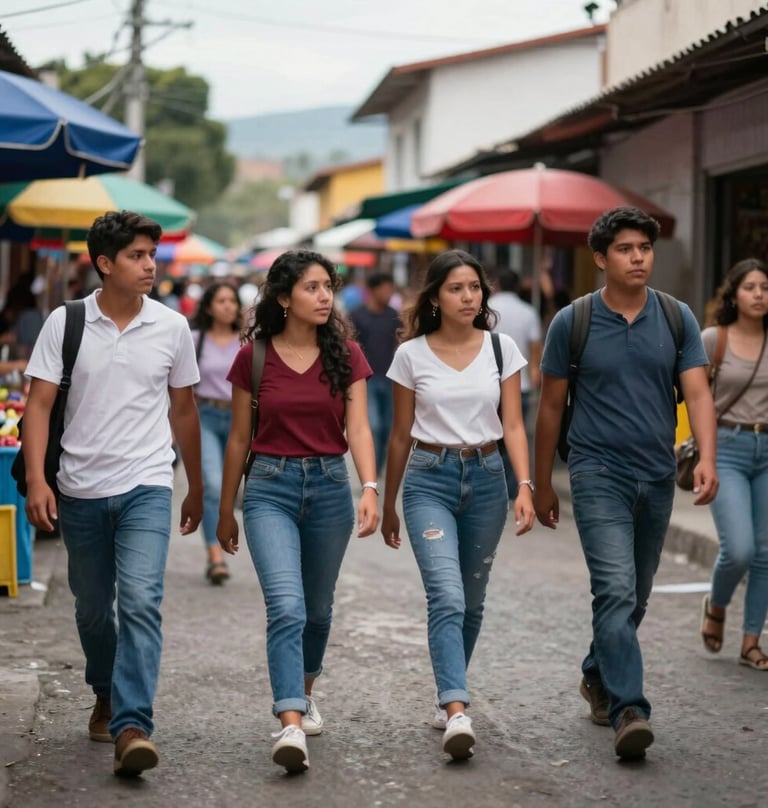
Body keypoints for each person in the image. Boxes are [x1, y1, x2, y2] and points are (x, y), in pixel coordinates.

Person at [21, 210, 203, 778]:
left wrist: (196, 485)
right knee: (94, 610)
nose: (150, 265)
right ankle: (104, 689)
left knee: (143, 601)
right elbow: (40, 405)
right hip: (79, 487)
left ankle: (132, 726)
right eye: (137, 255)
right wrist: (35, 480)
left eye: (152, 254)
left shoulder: (172, 327)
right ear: (104, 264)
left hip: (148, 483)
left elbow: (184, 409)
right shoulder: (65, 322)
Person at [533, 206, 719, 761]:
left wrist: (706, 456)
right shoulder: (573, 321)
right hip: (596, 472)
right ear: (599, 259)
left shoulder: (676, 316)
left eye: (644, 248)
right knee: (614, 589)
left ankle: (596, 671)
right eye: (624, 249)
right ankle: (629, 708)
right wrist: (541, 483)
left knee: (634, 595)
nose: (637, 258)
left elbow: (700, 393)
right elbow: (549, 408)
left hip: (658, 474)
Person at [216, 249, 379, 774]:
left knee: (317, 609)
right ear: (283, 298)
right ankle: (288, 721)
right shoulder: (254, 357)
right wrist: (225, 509)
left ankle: (304, 695)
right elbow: (239, 435)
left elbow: (358, 426)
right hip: (268, 487)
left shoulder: (347, 354)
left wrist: (370, 486)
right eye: (312, 287)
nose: (325, 295)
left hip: (331, 486)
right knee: (286, 606)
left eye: (328, 286)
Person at [381, 249, 535, 761]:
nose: (468, 297)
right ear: (435, 297)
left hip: (489, 478)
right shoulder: (411, 355)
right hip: (429, 479)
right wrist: (388, 501)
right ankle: (456, 707)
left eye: (474, 288)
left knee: (472, 600)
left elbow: (513, 423)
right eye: (456, 288)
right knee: (446, 596)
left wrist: (525, 485)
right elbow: (400, 435)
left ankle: (451, 688)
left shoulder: (501, 349)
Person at [699, 258, 768, 670]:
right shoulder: (714, 340)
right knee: (739, 548)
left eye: (765, 287)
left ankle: (750, 642)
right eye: (750, 287)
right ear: (734, 294)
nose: (759, 294)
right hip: (727, 446)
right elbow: (697, 397)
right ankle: (717, 602)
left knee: (765, 553)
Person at [188, 281, 243, 584]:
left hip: (239, 419)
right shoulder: (196, 339)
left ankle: (221, 542)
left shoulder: (247, 343)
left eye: (232, 301)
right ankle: (214, 554)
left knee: (229, 490)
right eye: (221, 301)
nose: (227, 306)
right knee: (211, 483)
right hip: (205, 417)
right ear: (209, 307)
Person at [489, 266, 543, 498]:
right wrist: (534, 374)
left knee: (490, 439)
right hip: (519, 383)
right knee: (515, 433)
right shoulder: (528, 311)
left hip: (487, 384)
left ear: (497, 284)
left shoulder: (487, 309)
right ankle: (510, 489)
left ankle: (491, 488)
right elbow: (535, 348)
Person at [348, 272, 400, 477]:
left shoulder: (394, 315)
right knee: (374, 426)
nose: (388, 293)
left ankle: (377, 468)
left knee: (387, 427)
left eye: (390, 289)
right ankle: (370, 471)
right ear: (372, 290)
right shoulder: (357, 316)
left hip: (390, 379)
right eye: (385, 289)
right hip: (365, 380)